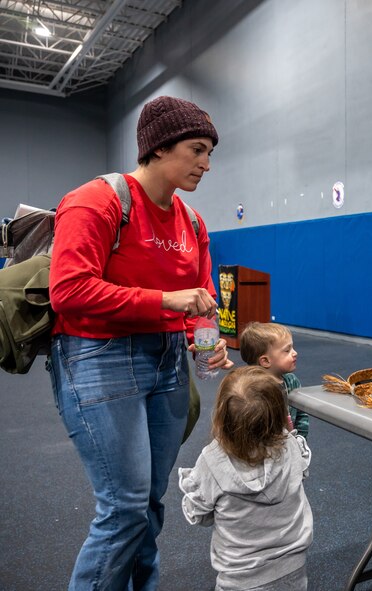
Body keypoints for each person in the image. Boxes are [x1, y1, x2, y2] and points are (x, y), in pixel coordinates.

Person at [48, 95, 234, 590]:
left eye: (209, 152)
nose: (206, 164)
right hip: (98, 357)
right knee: (124, 507)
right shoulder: (98, 200)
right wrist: (166, 302)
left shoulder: (192, 222)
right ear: (157, 147)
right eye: (197, 150)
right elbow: (68, 291)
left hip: (167, 362)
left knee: (148, 502)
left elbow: (202, 299)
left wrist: (206, 343)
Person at [178, 366, 314, 591]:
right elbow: (301, 476)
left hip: (239, 578)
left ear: (221, 416)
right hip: (293, 567)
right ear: (280, 413)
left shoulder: (212, 461)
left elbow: (198, 514)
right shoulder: (291, 445)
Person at [239, 322, 309, 439]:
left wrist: (301, 440)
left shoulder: (292, 382)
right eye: (287, 350)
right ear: (265, 361)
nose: (295, 353)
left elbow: (302, 414)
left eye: (292, 348)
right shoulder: (249, 389)